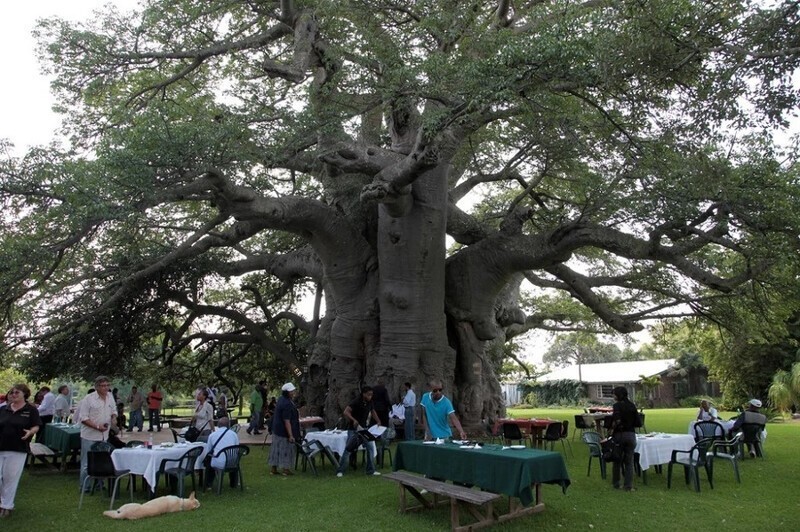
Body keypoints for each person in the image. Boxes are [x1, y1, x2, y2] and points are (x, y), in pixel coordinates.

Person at [0, 383, 41, 517]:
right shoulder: (3, 409)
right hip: (1, 446)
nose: (13, 395)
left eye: (17, 392)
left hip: (18, 448)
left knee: (10, 477)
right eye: (11, 392)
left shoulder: (31, 410)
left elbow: (36, 426)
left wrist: (31, 432)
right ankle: (2, 501)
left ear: (25, 394)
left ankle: (7, 506)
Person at [74, 376, 117, 492]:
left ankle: (100, 484)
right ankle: (84, 486)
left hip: (104, 435)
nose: (106, 388)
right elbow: (83, 418)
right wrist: (97, 427)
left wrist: (113, 418)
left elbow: (114, 410)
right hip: (90, 435)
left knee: (102, 460)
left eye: (107, 385)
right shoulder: (88, 399)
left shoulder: (110, 397)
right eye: (103, 386)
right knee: (87, 462)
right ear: (97, 387)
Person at [336, 386, 382, 478]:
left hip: (364, 429)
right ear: (364, 394)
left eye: (371, 395)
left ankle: (370, 470)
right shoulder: (356, 402)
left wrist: (378, 421)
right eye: (369, 394)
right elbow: (346, 412)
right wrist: (354, 420)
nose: (370, 396)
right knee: (348, 449)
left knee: (370, 448)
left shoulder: (370, 402)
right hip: (353, 429)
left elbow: (373, 411)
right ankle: (340, 470)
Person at [608, 386, 638, 492]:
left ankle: (616, 483)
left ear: (618, 395)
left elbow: (617, 420)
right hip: (631, 435)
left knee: (617, 460)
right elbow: (638, 422)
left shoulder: (617, 406)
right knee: (629, 461)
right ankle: (628, 486)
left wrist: (611, 429)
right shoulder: (632, 405)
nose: (613, 396)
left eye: (614, 394)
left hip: (620, 435)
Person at [269, 383, 300, 476]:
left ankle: (273, 468)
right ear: (287, 392)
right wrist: (290, 435)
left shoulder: (281, 399)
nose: (293, 392)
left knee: (276, 449)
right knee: (286, 448)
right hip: (283, 431)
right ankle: (286, 469)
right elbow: (287, 420)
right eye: (292, 391)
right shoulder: (286, 403)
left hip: (277, 429)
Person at [203, 416, 240, 488]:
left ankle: (208, 483)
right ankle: (234, 483)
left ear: (218, 425)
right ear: (228, 425)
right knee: (233, 458)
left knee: (209, 460)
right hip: (232, 462)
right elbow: (237, 448)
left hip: (219, 462)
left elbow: (208, 451)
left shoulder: (212, 435)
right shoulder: (234, 434)